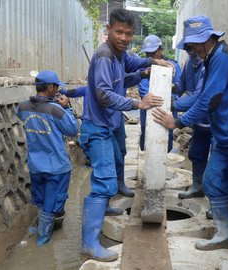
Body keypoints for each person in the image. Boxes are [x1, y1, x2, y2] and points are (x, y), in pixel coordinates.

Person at [152, 15, 228, 270]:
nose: (191, 49)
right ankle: (225, 236)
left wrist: (179, 122)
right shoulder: (209, 61)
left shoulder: (224, 56)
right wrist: (169, 103)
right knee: (213, 182)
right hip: (225, 134)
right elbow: (199, 96)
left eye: (194, 44)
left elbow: (210, 101)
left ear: (207, 39)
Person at [79, 8, 173, 262]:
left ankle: (104, 203)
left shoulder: (120, 55)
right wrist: (137, 104)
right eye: (118, 32)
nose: (123, 37)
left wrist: (152, 63)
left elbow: (134, 64)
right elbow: (103, 94)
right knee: (104, 180)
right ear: (107, 30)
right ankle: (89, 243)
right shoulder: (103, 57)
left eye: (128, 34)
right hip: (97, 127)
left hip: (110, 124)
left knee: (115, 164)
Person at [15, 70, 79, 246]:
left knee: (43, 200)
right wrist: (68, 108)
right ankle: (42, 241)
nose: (58, 90)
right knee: (53, 202)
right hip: (56, 166)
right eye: (57, 87)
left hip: (36, 165)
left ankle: (41, 226)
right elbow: (73, 130)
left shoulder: (23, 106)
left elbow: (18, 113)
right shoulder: (56, 110)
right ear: (50, 87)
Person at [172, 49, 212, 200]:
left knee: (217, 162)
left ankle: (217, 201)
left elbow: (197, 98)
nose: (192, 52)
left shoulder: (208, 66)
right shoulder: (189, 64)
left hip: (214, 121)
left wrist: (173, 105)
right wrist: (169, 88)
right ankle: (197, 187)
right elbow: (181, 85)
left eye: (194, 48)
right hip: (199, 120)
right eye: (188, 49)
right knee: (196, 153)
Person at [138, 35, 182, 152]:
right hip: (148, 110)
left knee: (165, 144)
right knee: (146, 144)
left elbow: (179, 88)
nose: (150, 56)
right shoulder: (143, 67)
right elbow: (143, 90)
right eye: (148, 53)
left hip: (167, 111)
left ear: (161, 50)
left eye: (153, 52)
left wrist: (167, 98)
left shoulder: (173, 66)